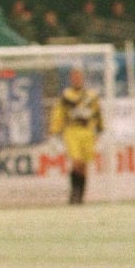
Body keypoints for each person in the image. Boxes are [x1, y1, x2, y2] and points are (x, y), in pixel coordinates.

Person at [49, 67, 103, 205]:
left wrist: (102, 130)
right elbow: (58, 114)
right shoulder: (66, 96)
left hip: (88, 132)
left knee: (84, 165)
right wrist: (55, 132)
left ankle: (80, 196)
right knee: (76, 162)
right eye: (74, 77)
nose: (77, 79)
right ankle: (74, 193)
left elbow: (97, 114)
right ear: (71, 79)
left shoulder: (91, 96)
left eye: (79, 76)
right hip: (72, 131)